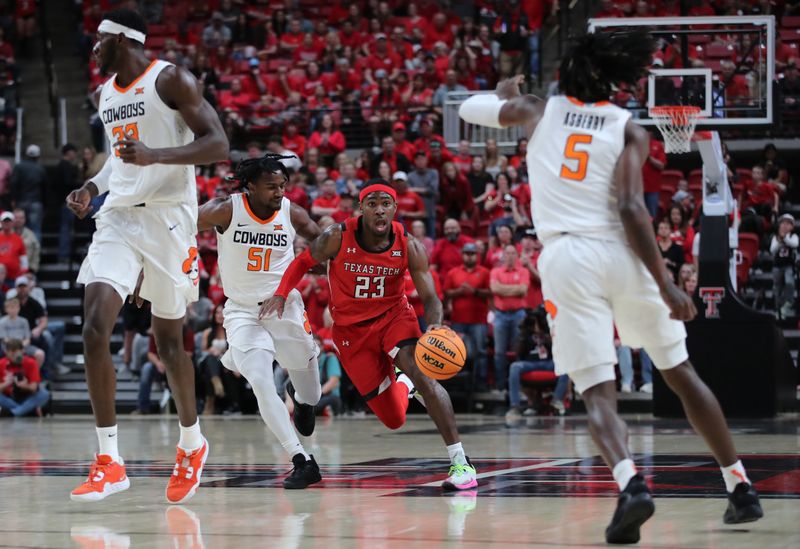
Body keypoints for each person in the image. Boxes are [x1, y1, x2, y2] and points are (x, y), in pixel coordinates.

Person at [459, 29, 762, 544]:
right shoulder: (629, 128)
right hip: (623, 254)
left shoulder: (538, 111)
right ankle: (740, 488)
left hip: (567, 257)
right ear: (615, 80)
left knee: (597, 390)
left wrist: (507, 94)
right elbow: (629, 208)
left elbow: (469, 108)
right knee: (681, 373)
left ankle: (630, 484)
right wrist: (666, 283)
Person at [65, 9, 229, 504]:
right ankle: (109, 459)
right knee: (94, 326)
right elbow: (120, 157)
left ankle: (191, 441)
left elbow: (218, 143)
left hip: (169, 220)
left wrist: (158, 155)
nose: (93, 49)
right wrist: (92, 185)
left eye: (99, 40)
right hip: (118, 216)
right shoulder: (107, 93)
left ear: (122, 39)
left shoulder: (170, 78)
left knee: (169, 342)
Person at [263, 181, 478, 490]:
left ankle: (460, 463)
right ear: (361, 208)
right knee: (394, 419)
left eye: (386, 203)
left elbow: (431, 297)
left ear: (394, 209)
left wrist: (434, 325)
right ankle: (404, 382)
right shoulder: (337, 236)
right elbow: (302, 262)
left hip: (394, 319)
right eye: (373, 203)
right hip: (352, 333)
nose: (380, 209)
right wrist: (282, 293)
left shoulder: (409, 245)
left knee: (426, 378)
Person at [195, 154, 323, 489]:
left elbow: (323, 244)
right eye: (271, 187)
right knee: (261, 382)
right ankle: (302, 460)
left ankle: (302, 397)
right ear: (250, 186)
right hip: (242, 310)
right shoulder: (227, 209)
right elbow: (181, 227)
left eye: (282, 185)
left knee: (311, 392)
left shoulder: (290, 212)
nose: (279, 192)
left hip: (285, 306)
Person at [505, 306, 569, 420]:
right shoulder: (525, 334)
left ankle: (557, 400)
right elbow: (518, 352)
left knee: (565, 366)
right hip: (530, 363)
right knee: (514, 367)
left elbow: (558, 349)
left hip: (548, 362)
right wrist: (525, 333)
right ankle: (514, 405)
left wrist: (545, 335)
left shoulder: (550, 331)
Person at [444, 242, 491, 391]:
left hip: (479, 320)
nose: (469, 256)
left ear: (476, 256)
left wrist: (474, 291)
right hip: (458, 319)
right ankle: (458, 385)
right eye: (466, 253)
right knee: (457, 353)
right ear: (462, 255)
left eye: (472, 254)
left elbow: (490, 292)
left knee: (481, 352)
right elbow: (446, 293)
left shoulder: (484, 272)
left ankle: (480, 384)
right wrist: (460, 292)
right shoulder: (453, 273)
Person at [489, 245, 529, 392]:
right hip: (500, 314)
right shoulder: (496, 271)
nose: (510, 256)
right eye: (508, 253)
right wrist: (515, 289)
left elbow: (523, 290)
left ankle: (519, 387)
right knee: (499, 353)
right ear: (503, 255)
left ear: (517, 256)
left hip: (519, 314)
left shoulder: (523, 271)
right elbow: (494, 289)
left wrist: (503, 289)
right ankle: (501, 387)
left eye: (513, 253)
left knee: (519, 351)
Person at [0, 338, 49, 417]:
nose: (15, 355)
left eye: (17, 352)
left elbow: (34, 387)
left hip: (27, 397)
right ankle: (27, 411)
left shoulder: (31, 363)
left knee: (44, 394)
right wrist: (6, 383)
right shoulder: (1, 363)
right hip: (9, 398)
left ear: (23, 351)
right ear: (6, 352)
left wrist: (25, 386)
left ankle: (14, 413)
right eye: (12, 353)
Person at [9, 144, 45, 240]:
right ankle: (35, 253)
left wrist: (13, 199)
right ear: (38, 156)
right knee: (35, 229)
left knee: (18, 228)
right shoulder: (40, 169)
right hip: (36, 202)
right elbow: (45, 188)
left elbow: (13, 183)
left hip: (21, 201)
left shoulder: (19, 167)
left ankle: (19, 251)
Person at [770, 213, 798, 318]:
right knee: (777, 287)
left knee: (789, 283)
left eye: (788, 223)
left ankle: (788, 304)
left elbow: (794, 244)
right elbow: (772, 250)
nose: (785, 225)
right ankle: (778, 309)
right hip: (777, 266)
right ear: (779, 225)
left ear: (792, 226)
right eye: (783, 223)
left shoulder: (793, 236)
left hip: (789, 266)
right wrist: (780, 241)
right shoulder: (775, 238)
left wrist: (785, 238)